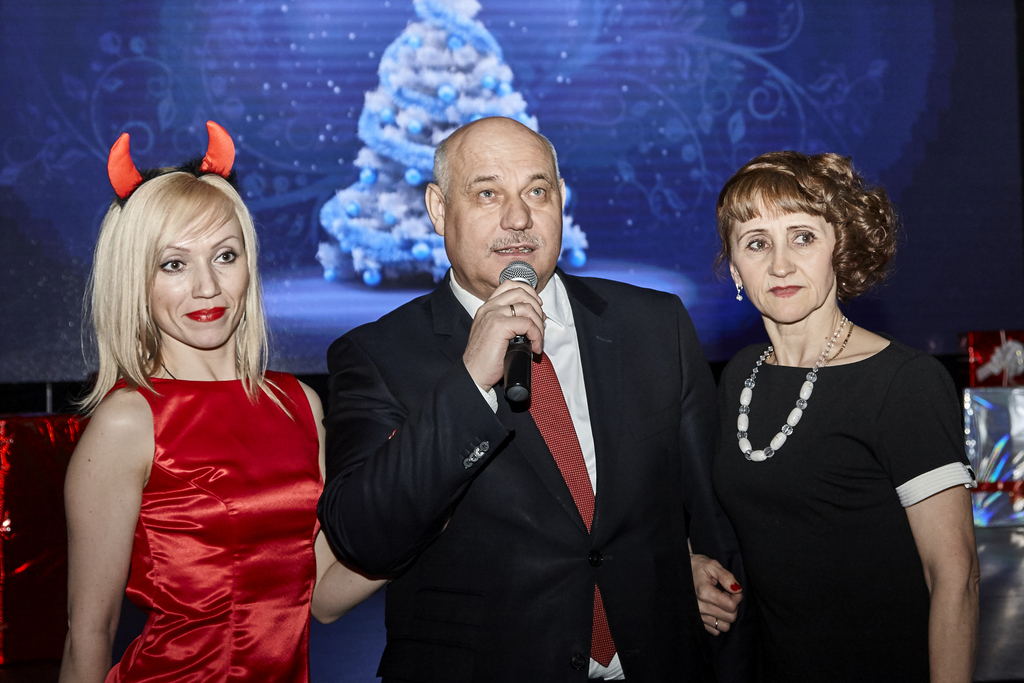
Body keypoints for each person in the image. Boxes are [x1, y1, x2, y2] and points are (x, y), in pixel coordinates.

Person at [317, 116, 749, 682]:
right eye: (487, 193)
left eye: (537, 192)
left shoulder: (654, 324)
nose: (518, 218)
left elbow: (712, 521)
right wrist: (471, 380)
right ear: (438, 208)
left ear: (561, 199)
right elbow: (364, 538)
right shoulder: (377, 355)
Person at [59, 122, 384, 683]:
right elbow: (89, 631)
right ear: (136, 280)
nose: (207, 286)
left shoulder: (299, 404)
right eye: (173, 264)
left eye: (225, 255)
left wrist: (425, 505)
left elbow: (324, 596)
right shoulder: (128, 421)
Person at [713, 150, 979, 682]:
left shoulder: (904, 383)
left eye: (802, 237)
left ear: (840, 247)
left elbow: (956, 578)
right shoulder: (741, 376)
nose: (780, 265)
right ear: (736, 267)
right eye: (757, 243)